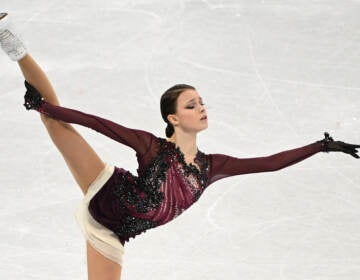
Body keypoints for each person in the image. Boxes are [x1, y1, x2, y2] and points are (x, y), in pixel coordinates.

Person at [1, 12, 359, 280]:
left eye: (202, 102)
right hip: (104, 191)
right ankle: (14, 43)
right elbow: (101, 124)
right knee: (53, 121)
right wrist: (44, 106)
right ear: (173, 118)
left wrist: (320, 146)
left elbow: (268, 163)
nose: (201, 108)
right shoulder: (153, 148)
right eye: (191, 105)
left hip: (113, 232)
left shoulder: (212, 166)